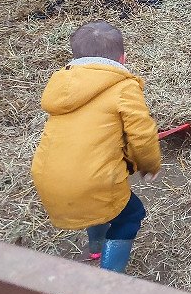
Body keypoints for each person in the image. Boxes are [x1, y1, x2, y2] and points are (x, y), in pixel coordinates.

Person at [31, 21, 161, 273]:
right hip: (94, 181)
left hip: (47, 177)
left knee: (98, 201)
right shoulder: (124, 87)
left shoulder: (63, 86)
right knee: (131, 214)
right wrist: (148, 165)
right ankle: (108, 283)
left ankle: (97, 247)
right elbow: (142, 134)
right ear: (123, 58)